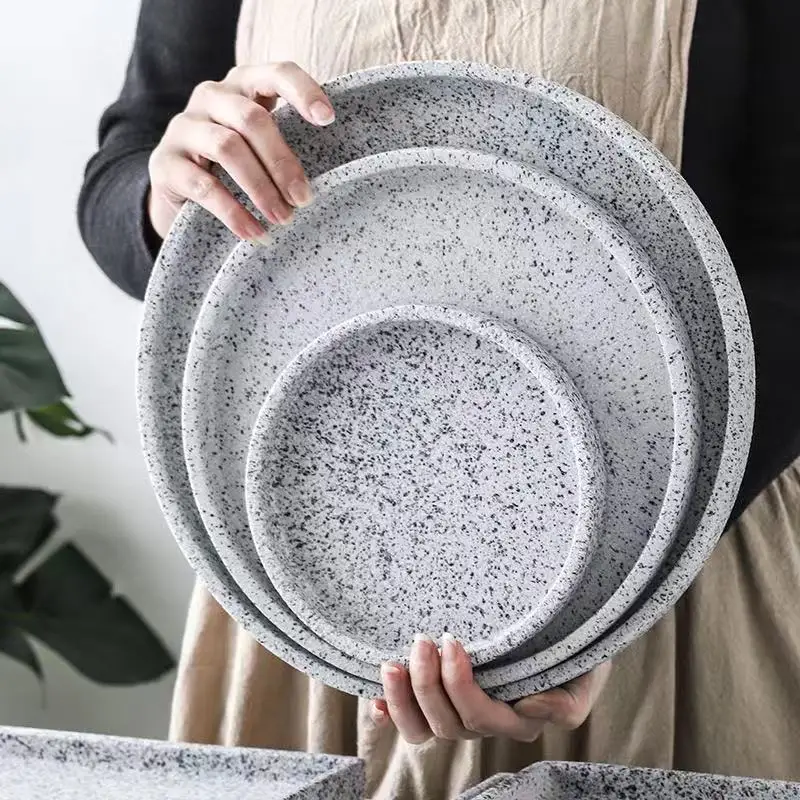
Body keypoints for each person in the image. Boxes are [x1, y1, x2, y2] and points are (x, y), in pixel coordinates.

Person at [78, 1, 800, 797]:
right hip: (304, 562)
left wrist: (624, 593)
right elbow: (125, 170)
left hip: (670, 569)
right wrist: (172, 195)